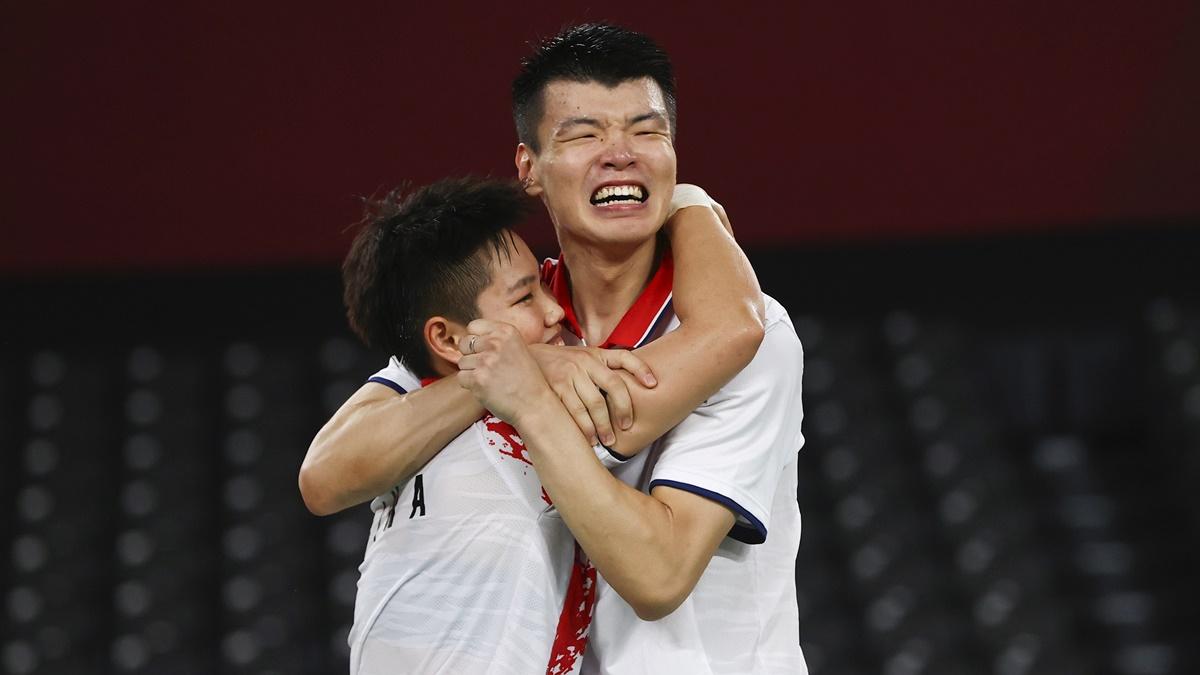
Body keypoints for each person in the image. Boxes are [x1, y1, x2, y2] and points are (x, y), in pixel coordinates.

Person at [301, 23, 805, 675]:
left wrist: (692, 205)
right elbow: (328, 473)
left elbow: (656, 575)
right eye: (584, 133)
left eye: (646, 131)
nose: (619, 153)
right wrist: (518, 368)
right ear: (528, 169)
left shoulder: (752, 332)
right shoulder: (510, 316)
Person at [338, 176, 610, 673]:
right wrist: (515, 370)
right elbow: (321, 479)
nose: (554, 309)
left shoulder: (559, 367)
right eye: (524, 298)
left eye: (544, 285)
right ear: (445, 339)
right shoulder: (410, 385)